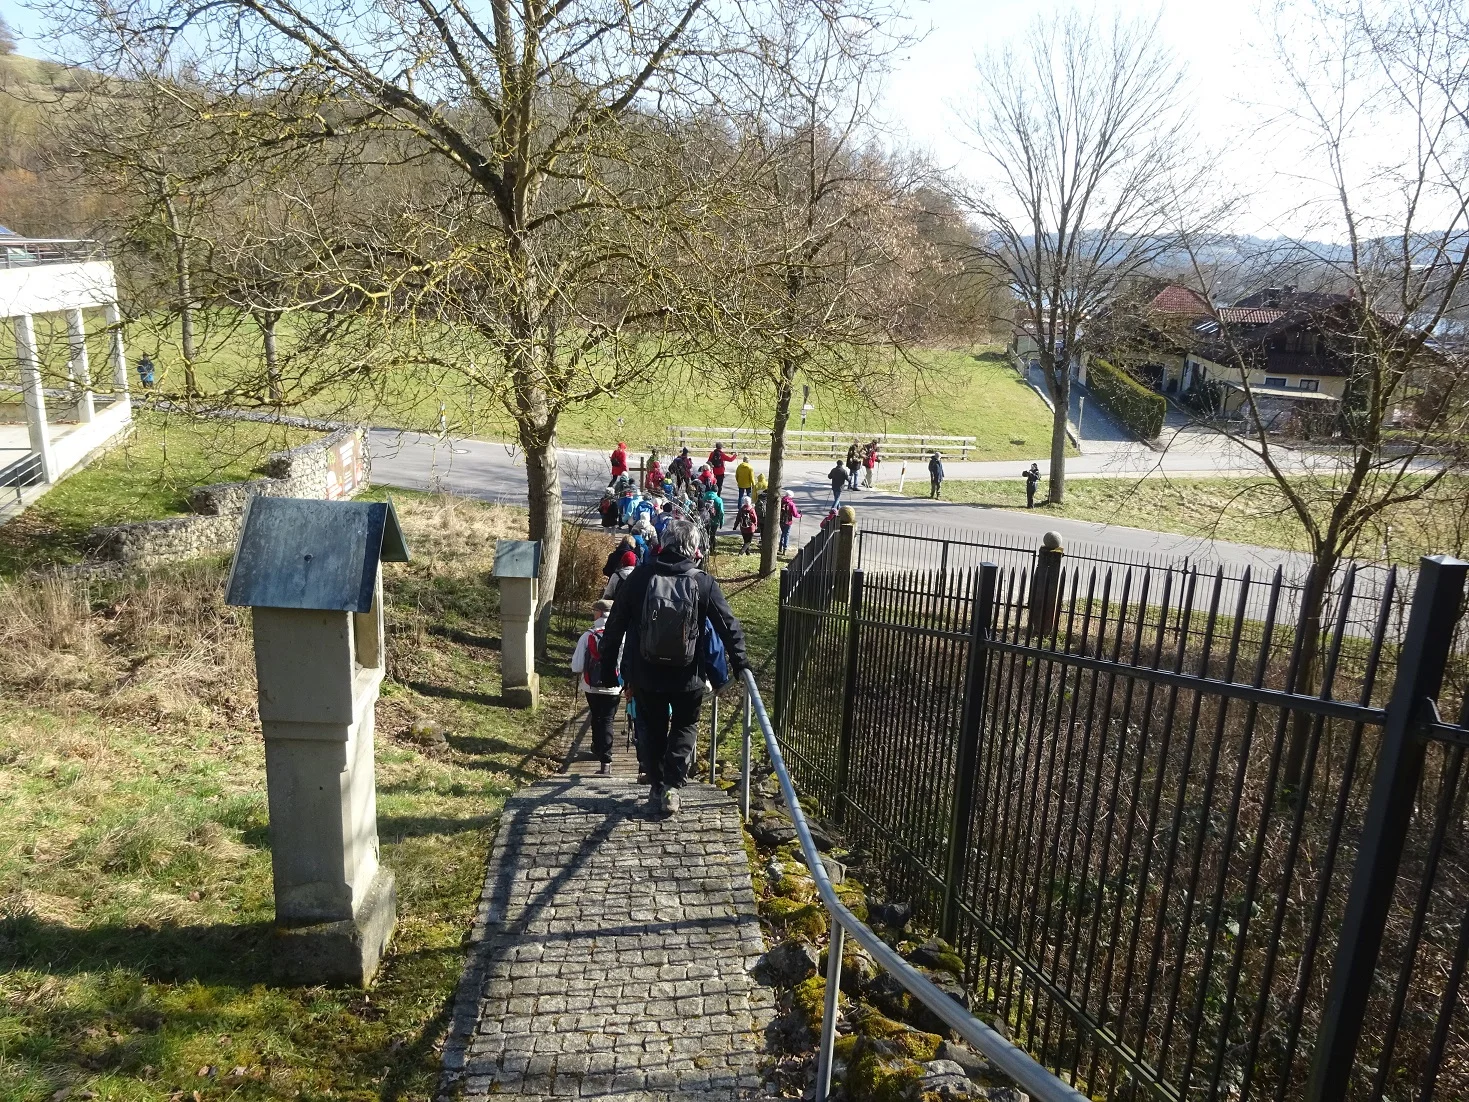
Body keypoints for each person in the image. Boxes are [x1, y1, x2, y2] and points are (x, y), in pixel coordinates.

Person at [597, 518, 749, 815]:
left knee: (651, 728)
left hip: (645, 673)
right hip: (688, 676)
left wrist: (607, 668)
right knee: (684, 725)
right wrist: (741, 663)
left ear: (662, 544)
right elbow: (728, 626)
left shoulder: (638, 578)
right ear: (693, 549)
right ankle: (673, 786)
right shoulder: (702, 582)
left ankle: (656, 786)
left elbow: (614, 626)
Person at [571, 598, 622, 775]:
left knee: (596, 716)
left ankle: (598, 748)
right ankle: (605, 761)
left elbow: (576, 666)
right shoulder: (621, 635)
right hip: (614, 686)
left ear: (600, 613)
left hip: (591, 685)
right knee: (608, 719)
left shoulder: (588, 635)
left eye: (594, 611)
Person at [779, 491, 801, 555]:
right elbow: (795, 514)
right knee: (786, 534)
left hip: (781, 520)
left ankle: (780, 546)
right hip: (788, 521)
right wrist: (800, 515)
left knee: (783, 533)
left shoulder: (781, 501)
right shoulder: (791, 504)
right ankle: (785, 549)